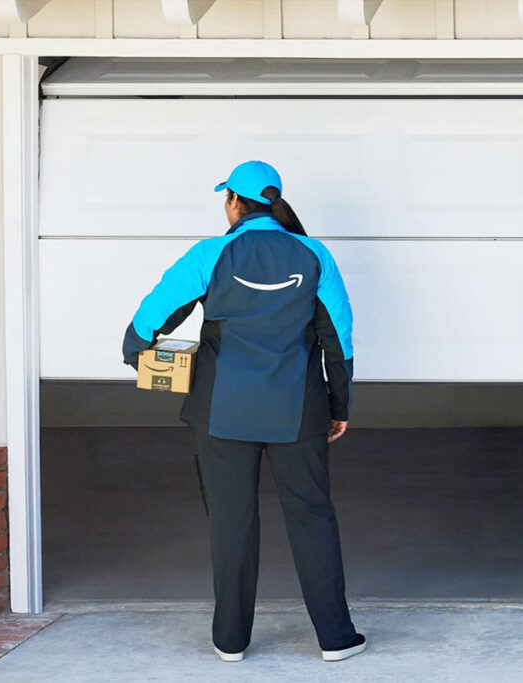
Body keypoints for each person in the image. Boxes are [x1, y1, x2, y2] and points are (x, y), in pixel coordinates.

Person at [121, 160, 366, 663]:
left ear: (234, 202)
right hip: (297, 412)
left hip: (221, 413)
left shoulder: (211, 253)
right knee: (313, 517)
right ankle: (336, 639)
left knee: (232, 520)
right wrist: (338, 405)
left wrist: (137, 353)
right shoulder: (314, 254)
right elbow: (337, 340)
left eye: (225, 198)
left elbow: (152, 317)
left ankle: (230, 641)